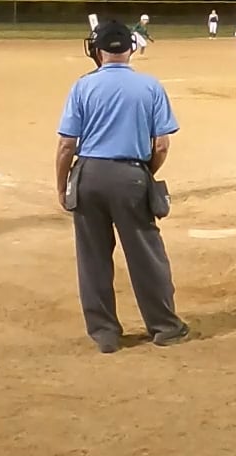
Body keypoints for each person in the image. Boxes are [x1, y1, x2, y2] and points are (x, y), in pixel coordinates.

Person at [55, 20, 187, 353]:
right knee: (146, 255)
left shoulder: (82, 86)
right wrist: (143, 174)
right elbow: (161, 145)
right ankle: (165, 327)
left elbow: (66, 146)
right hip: (132, 175)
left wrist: (62, 186)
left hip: (89, 176)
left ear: (97, 51)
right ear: (131, 48)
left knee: (93, 258)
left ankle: (105, 333)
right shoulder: (150, 86)